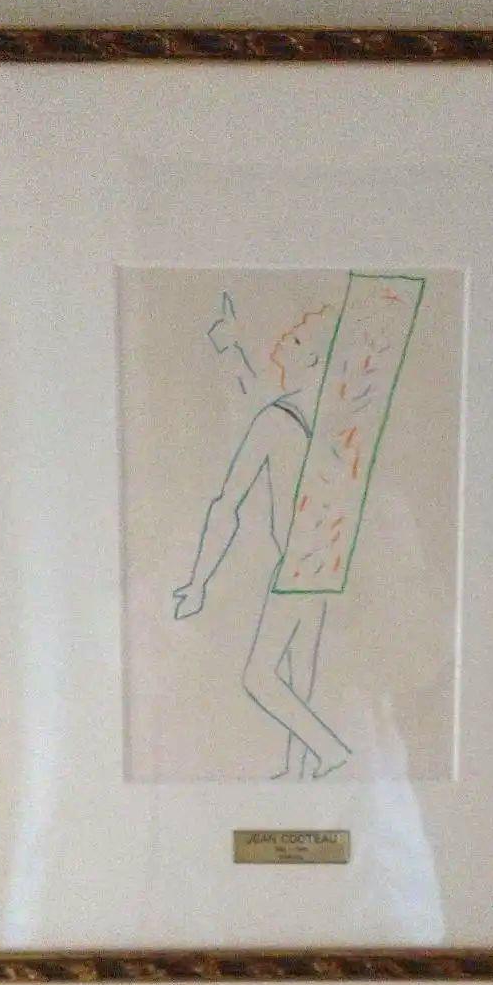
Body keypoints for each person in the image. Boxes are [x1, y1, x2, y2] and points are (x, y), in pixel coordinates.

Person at [173, 304, 352, 779]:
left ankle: (330, 750)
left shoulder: (275, 420)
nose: (278, 347)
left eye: (293, 341)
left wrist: (199, 581)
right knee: (299, 674)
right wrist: (231, 348)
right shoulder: (333, 423)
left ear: (314, 359)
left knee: (260, 677)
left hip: (295, 566)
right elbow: (252, 391)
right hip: (325, 563)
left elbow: (226, 505)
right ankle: (298, 774)